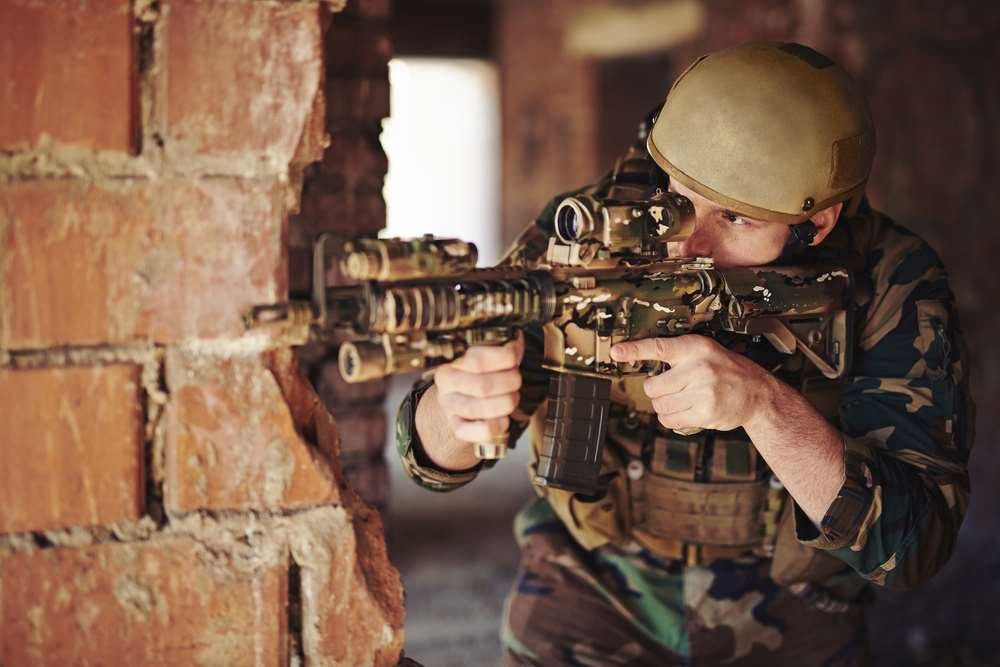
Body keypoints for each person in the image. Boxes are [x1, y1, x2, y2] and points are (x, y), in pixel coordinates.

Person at [394, 42, 974, 666]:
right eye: (679, 199)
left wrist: (764, 405)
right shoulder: (588, 236)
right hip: (586, 599)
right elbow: (432, 464)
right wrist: (452, 411)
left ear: (820, 223)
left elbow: (914, 548)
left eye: (736, 219)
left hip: (793, 620)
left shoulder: (889, 280)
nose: (690, 243)